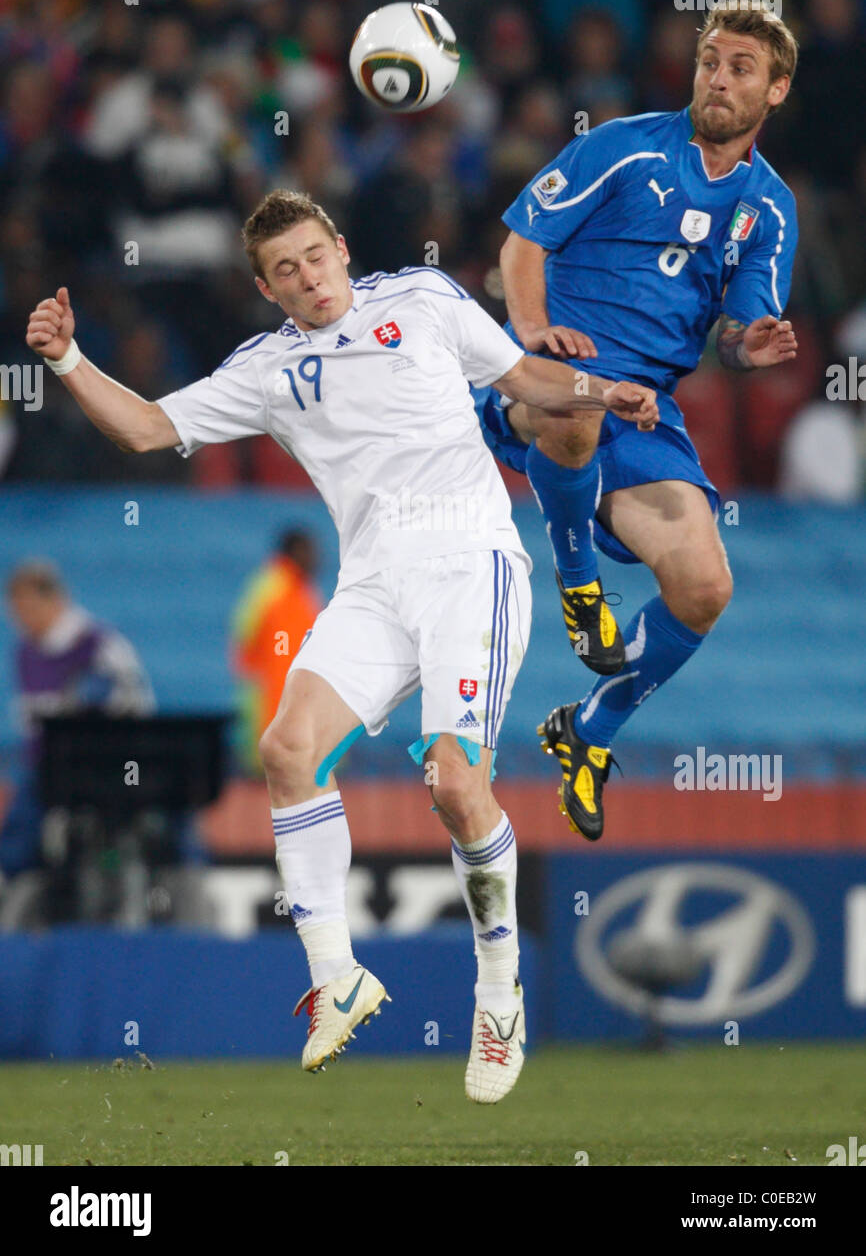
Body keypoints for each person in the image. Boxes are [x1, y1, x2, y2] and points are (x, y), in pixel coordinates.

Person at [24, 190, 657, 1102]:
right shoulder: (268, 368)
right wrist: (69, 359)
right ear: (265, 286)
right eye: (286, 270)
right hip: (370, 585)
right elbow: (148, 426)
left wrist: (607, 391)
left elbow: (524, 377)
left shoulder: (426, 302)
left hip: (468, 564)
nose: (308, 278)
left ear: (341, 248)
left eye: (316, 256)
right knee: (285, 750)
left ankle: (497, 993)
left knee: (450, 780)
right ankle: (338, 979)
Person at [475, 0, 799, 842]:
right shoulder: (623, 145)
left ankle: (587, 732)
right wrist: (532, 330)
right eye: (711, 61)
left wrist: (748, 345)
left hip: (646, 408)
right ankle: (579, 579)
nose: (719, 78)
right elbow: (521, 243)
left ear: (777, 92)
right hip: (544, 372)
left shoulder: (768, 209)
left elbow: (736, 331)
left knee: (704, 587)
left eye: (741, 69)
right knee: (578, 404)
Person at [0, 559, 155, 883]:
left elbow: (136, 707)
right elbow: (31, 724)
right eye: (15, 610)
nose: (20, 618)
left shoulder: (100, 645)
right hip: (51, 768)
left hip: (105, 765)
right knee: (24, 812)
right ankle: (16, 882)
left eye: (27, 607)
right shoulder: (25, 653)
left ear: (54, 599)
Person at [231, 528, 323, 773]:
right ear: (294, 552)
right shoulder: (272, 586)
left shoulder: (303, 590)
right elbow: (245, 639)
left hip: (293, 698)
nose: (317, 558)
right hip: (268, 699)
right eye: (310, 551)